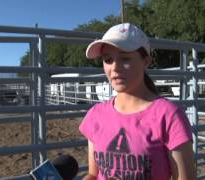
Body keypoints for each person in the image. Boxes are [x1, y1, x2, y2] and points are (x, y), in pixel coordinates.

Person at [79, 23, 195, 180]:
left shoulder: (169, 115)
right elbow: (93, 174)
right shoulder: (96, 114)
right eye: (108, 60)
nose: (115, 68)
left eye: (125, 58)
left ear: (146, 61)